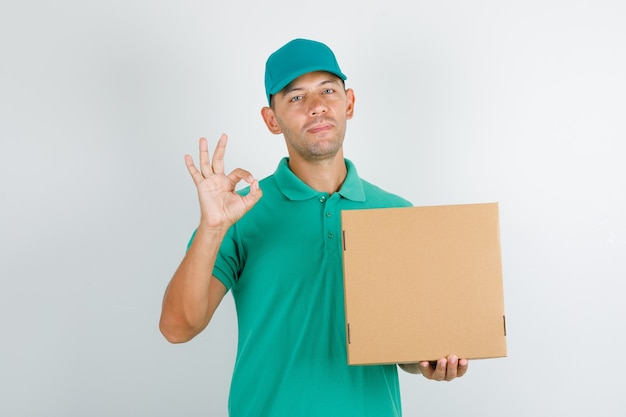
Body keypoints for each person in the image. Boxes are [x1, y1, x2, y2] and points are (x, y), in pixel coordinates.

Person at [159, 38, 468, 416]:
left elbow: (401, 343)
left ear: (349, 102)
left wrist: (428, 361)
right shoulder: (239, 213)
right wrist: (211, 228)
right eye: (295, 97)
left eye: (327, 90)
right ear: (272, 119)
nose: (317, 106)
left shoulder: (397, 213)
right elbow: (177, 328)